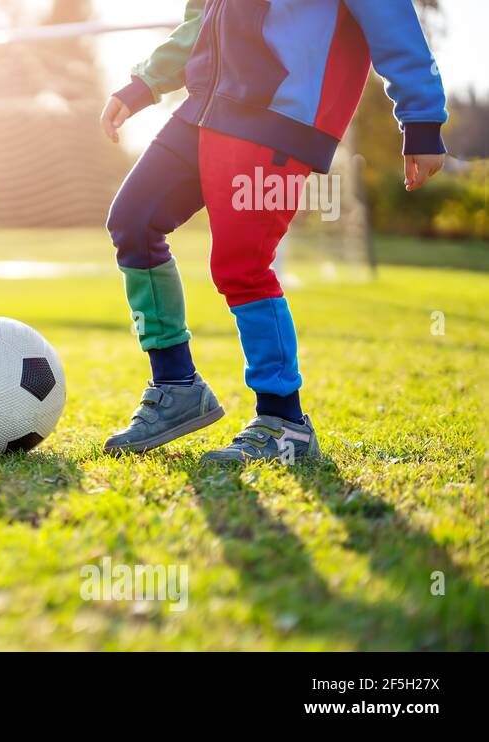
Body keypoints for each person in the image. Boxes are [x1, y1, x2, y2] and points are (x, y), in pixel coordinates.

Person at [98, 0, 446, 462]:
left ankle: (285, 421)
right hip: (204, 108)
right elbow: (200, 23)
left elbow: (391, 20)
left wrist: (421, 118)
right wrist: (144, 83)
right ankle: (176, 385)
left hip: (278, 120)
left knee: (241, 264)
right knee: (134, 221)